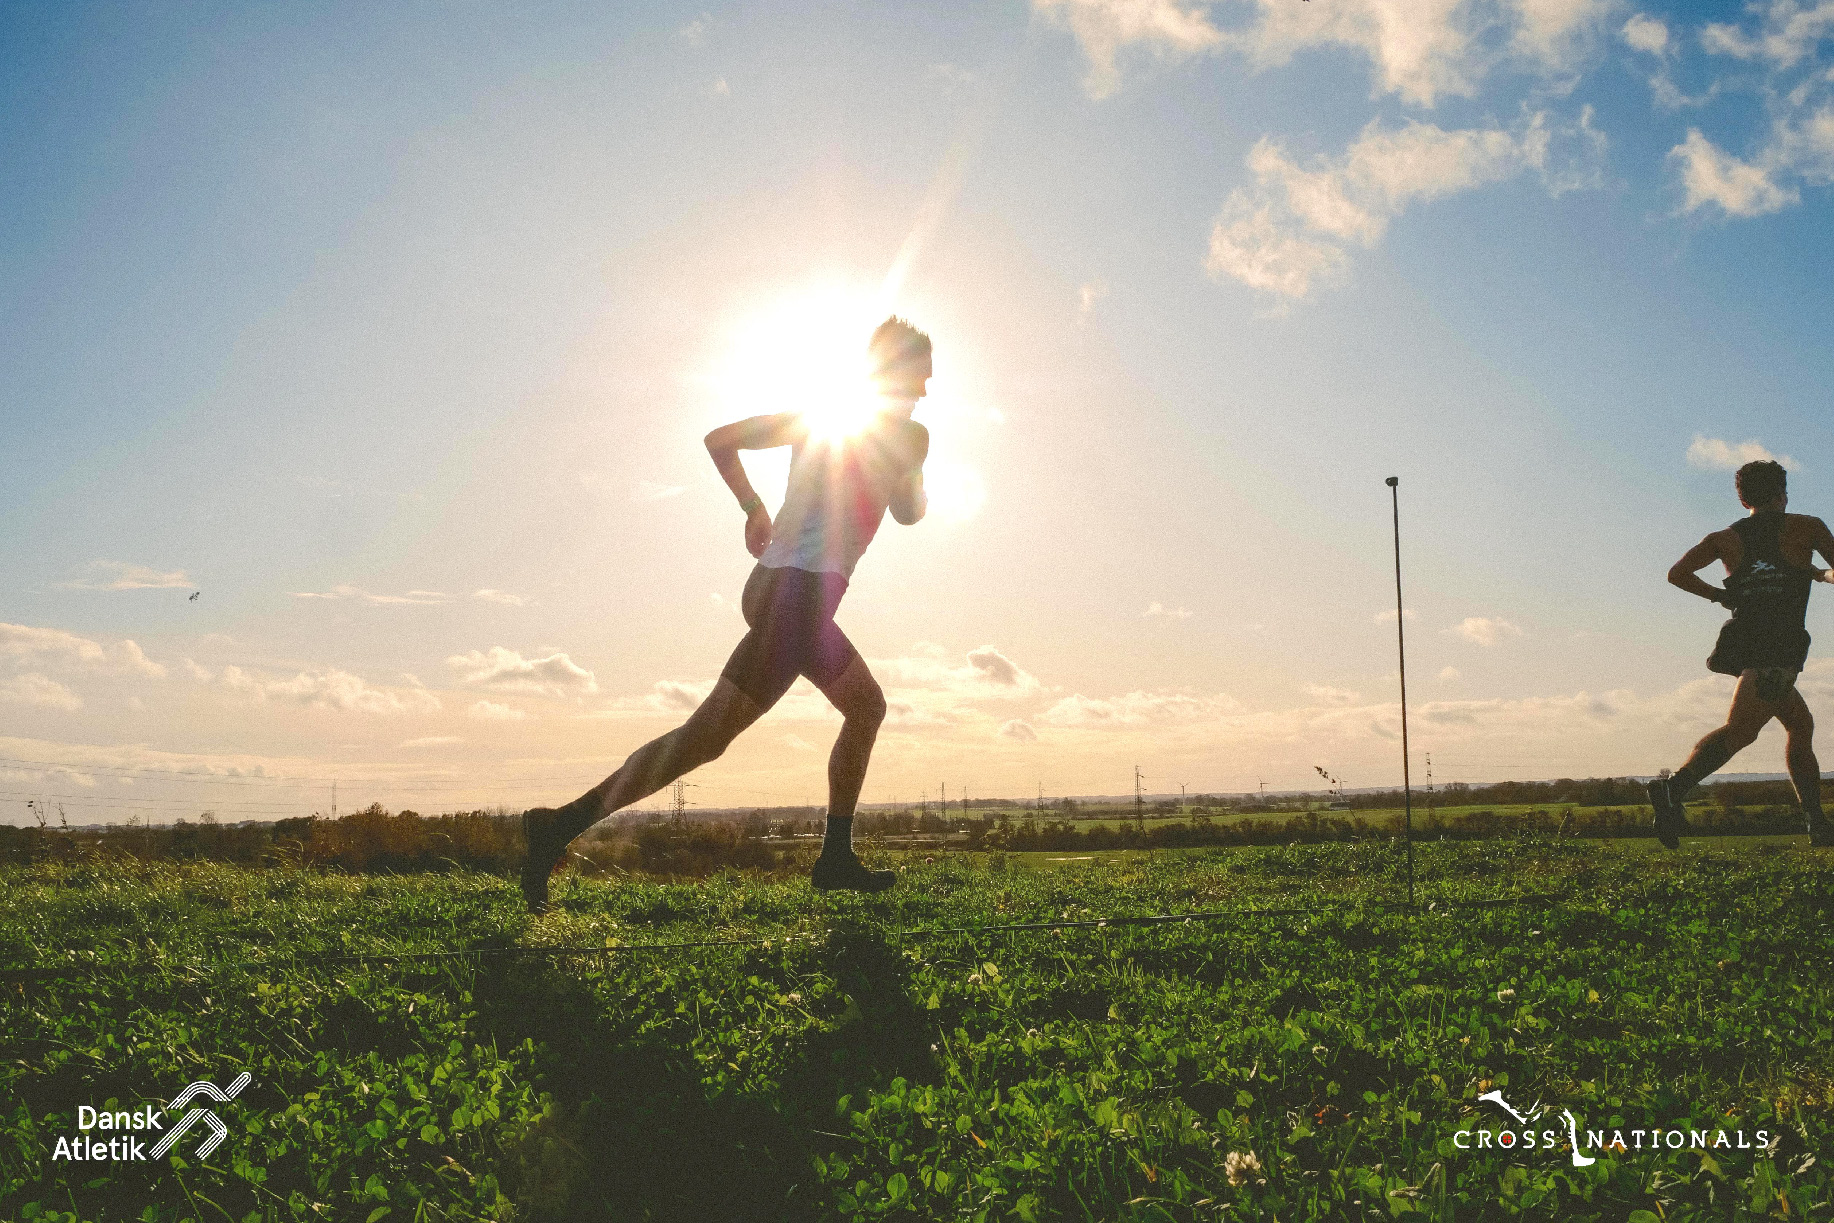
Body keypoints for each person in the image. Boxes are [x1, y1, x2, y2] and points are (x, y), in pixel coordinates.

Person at [519, 316, 934, 911]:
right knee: (707, 738)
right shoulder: (909, 439)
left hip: (778, 592)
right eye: (919, 378)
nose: (923, 392)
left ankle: (835, 857)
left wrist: (753, 508)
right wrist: (914, 478)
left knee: (848, 710)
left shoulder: (816, 417)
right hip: (798, 598)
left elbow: (720, 440)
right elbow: (910, 514)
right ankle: (556, 827)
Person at [1647, 459, 1834, 849]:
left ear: (1742, 497)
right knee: (1743, 731)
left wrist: (1719, 595)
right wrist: (1820, 574)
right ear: (1782, 494)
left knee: (1800, 725)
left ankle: (1817, 825)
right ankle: (1673, 789)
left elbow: (1676, 574)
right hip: (1778, 642)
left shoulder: (1724, 538)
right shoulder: (1808, 527)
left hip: (1743, 638)